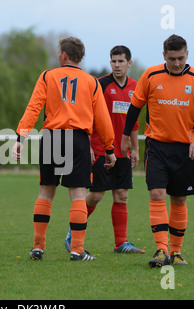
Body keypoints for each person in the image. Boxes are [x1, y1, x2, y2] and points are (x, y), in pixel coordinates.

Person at [12, 37, 116, 261]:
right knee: (78, 194)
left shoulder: (48, 76)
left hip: (51, 137)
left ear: (64, 55)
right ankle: (77, 250)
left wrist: (21, 136)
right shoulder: (91, 82)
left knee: (45, 192)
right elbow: (103, 119)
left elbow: (34, 107)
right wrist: (109, 148)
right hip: (77, 139)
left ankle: (38, 247)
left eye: (59, 50)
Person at [121, 34, 194, 267]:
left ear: (187, 54)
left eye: (181, 58)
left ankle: (176, 252)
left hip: (185, 149)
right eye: (172, 58)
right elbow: (135, 107)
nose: (176, 63)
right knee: (156, 194)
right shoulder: (152, 75)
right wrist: (125, 138)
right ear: (163, 55)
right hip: (157, 147)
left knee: (179, 199)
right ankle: (161, 251)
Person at [64, 46, 145, 254]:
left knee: (122, 195)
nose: (117, 65)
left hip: (123, 151)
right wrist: (89, 145)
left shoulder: (135, 87)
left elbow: (133, 122)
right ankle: (74, 230)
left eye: (120, 61)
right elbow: (88, 116)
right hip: (101, 148)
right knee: (97, 194)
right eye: (113, 61)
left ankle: (121, 243)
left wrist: (135, 148)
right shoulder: (99, 84)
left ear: (129, 63)